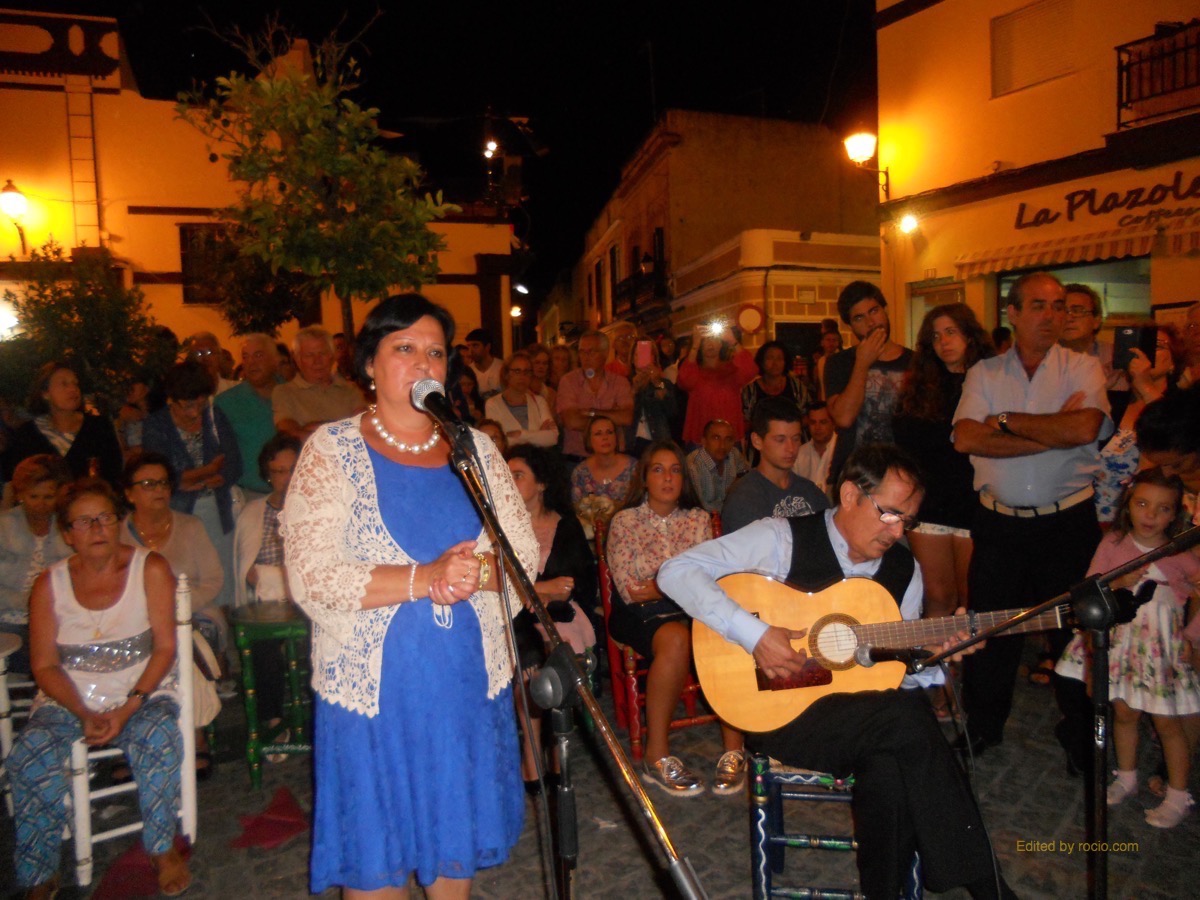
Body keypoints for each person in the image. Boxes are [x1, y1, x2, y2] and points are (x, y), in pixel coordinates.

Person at [657, 443, 1013, 899]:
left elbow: (893, 675)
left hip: (871, 719)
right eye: (890, 514)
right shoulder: (781, 538)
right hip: (781, 714)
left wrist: (928, 656)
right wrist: (754, 634)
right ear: (849, 495)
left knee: (891, 760)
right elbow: (676, 571)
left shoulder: (904, 569)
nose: (897, 531)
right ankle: (988, 888)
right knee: (906, 721)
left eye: (907, 521)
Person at [281, 293, 537, 897]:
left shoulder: (476, 450)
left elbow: (521, 557)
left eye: (436, 353)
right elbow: (313, 574)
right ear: (369, 364)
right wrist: (427, 578)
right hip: (373, 702)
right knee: (378, 861)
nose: (424, 363)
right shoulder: (331, 450)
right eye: (404, 348)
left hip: (463, 690)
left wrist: (475, 571)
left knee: (453, 856)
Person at [952, 271, 1111, 756]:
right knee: (992, 631)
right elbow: (966, 437)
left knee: (1075, 634)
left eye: (1060, 306)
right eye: (1039, 305)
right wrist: (1050, 431)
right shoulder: (984, 374)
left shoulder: (1083, 368)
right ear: (1013, 313)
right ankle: (983, 727)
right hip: (999, 525)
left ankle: (1081, 738)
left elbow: (1083, 430)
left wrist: (1004, 422)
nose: (1052, 315)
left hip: (1067, 525)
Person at [9, 478, 189, 898]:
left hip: (141, 691)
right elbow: (44, 665)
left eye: (105, 518)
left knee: (160, 737)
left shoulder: (150, 568)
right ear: (67, 533)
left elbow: (165, 648)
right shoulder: (48, 584)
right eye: (83, 522)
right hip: (69, 699)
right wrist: (83, 712)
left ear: (118, 522)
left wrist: (128, 707)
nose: (96, 529)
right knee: (29, 756)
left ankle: (161, 847)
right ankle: (39, 870)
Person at [1056, 470, 1200, 828]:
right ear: (1128, 505)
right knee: (1123, 712)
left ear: (1175, 514)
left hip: (1160, 649)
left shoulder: (1178, 553)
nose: (1150, 515)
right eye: (1142, 504)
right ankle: (1127, 776)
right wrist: (1118, 581)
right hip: (1120, 642)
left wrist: (1192, 637)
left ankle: (1178, 794)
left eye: (1163, 509)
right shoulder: (1113, 543)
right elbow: (1089, 588)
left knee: (1166, 721)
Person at [606, 440, 747, 795]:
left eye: (675, 471)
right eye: (658, 470)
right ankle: (656, 756)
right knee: (676, 637)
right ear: (645, 478)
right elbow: (630, 590)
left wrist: (657, 586)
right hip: (638, 615)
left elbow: (708, 579)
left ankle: (734, 750)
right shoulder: (625, 521)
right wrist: (676, 584)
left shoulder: (698, 518)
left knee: (725, 631)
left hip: (692, 609)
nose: (667, 478)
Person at [893, 304, 994, 622]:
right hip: (931, 503)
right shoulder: (920, 388)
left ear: (969, 335)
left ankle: (969, 654)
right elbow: (906, 443)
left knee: (971, 598)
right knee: (937, 597)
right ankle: (932, 655)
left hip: (975, 502)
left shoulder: (991, 381)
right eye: (936, 336)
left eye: (951, 332)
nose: (944, 342)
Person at [507, 444, 597, 792]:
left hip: (561, 615)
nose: (509, 481)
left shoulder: (566, 525)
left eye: (518, 475)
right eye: (506, 475)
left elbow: (574, 584)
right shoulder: (500, 528)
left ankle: (559, 751)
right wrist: (541, 588)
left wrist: (538, 591)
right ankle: (532, 756)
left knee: (558, 647)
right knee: (527, 653)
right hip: (512, 616)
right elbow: (497, 584)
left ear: (541, 483)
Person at [141, 360, 242, 614]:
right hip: (176, 514)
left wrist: (213, 477)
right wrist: (208, 470)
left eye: (201, 403)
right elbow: (162, 478)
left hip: (216, 511)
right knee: (183, 580)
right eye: (188, 405)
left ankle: (221, 634)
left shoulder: (214, 417)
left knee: (221, 581)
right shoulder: (156, 425)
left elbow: (233, 463)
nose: (196, 412)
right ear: (171, 400)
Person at [233, 433, 302, 763]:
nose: (286, 478)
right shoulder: (253, 512)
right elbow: (247, 569)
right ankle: (272, 720)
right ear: (267, 475)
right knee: (263, 650)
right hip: (268, 604)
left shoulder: (318, 508)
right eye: (278, 471)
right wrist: (277, 578)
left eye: (292, 469)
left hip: (310, 600)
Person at [824, 282, 912, 487]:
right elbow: (843, 418)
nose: (871, 322)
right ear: (850, 326)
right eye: (859, 318)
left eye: (874, 311)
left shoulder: (915, 362)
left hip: (900, 477)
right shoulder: (839, 363)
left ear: (885, 310)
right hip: (851, 477)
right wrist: (862, 363)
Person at [1094, 324, 1178, 524]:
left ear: (1173, 362)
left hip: (1151, 521)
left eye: (1157, 346)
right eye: (1140, 346)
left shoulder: (1182, 405)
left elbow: (1173, 436)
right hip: (1100, 518)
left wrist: (1144, 384)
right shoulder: (1114, 401)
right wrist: (1099, 390)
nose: (1145, 354)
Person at [0, 455, 72, 673]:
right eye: (33, 496)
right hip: (7, 619)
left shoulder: (68, 527)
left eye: (48, 497)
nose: (41, 504)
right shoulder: (3, 527)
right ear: (20, 495)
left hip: (57, 620)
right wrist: (28, 603)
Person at [3, 360, 124, 487]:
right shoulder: (28, 434)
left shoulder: (98, 427)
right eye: (64, 384)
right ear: (45, 393)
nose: (73, 389)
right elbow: (16, 478)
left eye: (75, 384)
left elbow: (113, 473)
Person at [721, 397, 828, 535]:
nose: (791, 448)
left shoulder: (810, 492)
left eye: (796, 439)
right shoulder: (744, 498)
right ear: (757, 441)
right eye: (780, 440)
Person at [215, 333, 283, 502]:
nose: (251, 362)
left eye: (258, 355)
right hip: (247, 496)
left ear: (275, 360)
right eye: (246, 357)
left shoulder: (293, 394)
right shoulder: (226, 402)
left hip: (293, 492)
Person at [272, 326, 366, 441]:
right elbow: (290, 434)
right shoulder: (284, 392)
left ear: (332, 356)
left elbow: (364, 430)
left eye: (322, 354)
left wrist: (310, 428)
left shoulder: (350, 390)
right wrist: (343, 430)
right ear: (297, 359)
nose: (317, 361)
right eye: (309, 355)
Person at [556, 330, 634, 461]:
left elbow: (626, 418)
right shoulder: (569, 381)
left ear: (605, 353)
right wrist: (612, 417)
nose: (586, 357)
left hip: (613, 459)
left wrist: (591, 412)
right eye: (582, 352)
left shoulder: (619, 382)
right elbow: (571, 422)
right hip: (577, 458)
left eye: (591, 352)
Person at [676, 324, 757, 447]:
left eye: (714, 338)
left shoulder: (731, 370)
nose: (710, 343)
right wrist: (694, 346)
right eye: (705, 340)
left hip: (729, 437)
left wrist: (732, 341)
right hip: (701, 438)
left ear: (721, 343)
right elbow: (684, 381)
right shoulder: (694, 370)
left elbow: (751, 370)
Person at [570, 415, 637, 526]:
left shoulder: (634, 468)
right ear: (589, 439)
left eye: (609, 432)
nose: (605, 437)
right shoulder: (580, 472)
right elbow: (579, 511)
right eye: (598, 434)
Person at [484, 350, 559, 447]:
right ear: (506, 374)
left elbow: (553, 437)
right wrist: (538, 434)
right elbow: (496, 441)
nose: (522, 376)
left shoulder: (539, 401)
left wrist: (521, 434)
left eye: (527, 372)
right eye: (517, 371)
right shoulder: (493, 404)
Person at [740, 340, 810, 444]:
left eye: (779, 358)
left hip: (793, 443)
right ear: (762, 362)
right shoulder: (751, 391)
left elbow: (808, 415)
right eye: (770, 358)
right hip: (761, 445)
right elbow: (744, 422)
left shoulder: (796, 386)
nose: (775, 363)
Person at [629, 338, 681, 455]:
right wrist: (633, 390)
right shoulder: (624, 383)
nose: (642, 357)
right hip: (632, 443)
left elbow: (672, 411)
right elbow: (625, 413)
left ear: (654, 357)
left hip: (658, 441)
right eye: (638, 354)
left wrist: (658, 383)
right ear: (632, 359)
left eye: (646, 354)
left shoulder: (664, 383)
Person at [686, 418, 749, 514]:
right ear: (704, 441)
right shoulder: (693, 466)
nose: (722, 445)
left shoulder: (734, 454)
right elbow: (699, 507)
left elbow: (747, 474)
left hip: (732, 512)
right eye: (716, 438)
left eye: (728, 439)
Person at [792, 401, 837, 498]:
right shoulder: (799, 453)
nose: (817, 428)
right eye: (813, 422)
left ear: (833, 423)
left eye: (823, 422)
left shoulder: (841, 449)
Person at [464, 327, 505, 399]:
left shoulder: (502, 367)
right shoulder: (468, 371)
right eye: (468, 346)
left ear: (487, 347)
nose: (470, 351)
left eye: (475, 346)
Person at [526, 342, 557, 412]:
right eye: (537, 362)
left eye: (544, 363)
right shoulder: (521, 391)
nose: (541, 366)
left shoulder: (552, 395)